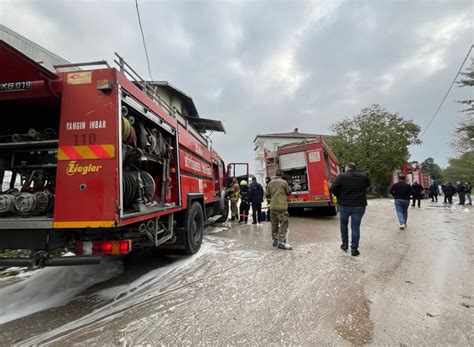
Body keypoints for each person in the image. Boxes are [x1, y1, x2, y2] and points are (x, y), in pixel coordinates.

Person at [330, 162, 370, 257]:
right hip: (359, 206)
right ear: (354, 168)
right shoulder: (363, 177)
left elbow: (333, 188)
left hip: (344, 205)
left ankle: (344, 245)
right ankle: (354, 249)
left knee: (343, 225)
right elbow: (367, 186)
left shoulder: (341, 177)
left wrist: (339, 196)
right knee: (355, 227)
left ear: (347, 168)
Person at [266, 170, 292, 250]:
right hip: (282, 207)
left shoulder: (270, 183)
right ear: (282, 175)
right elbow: (288, 192)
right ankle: (281, 242)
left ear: (275, 174)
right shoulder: (284, 182)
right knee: (284, 223)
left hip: (273, 207)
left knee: (274, 224)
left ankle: (275, 240)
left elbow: (267, 194)